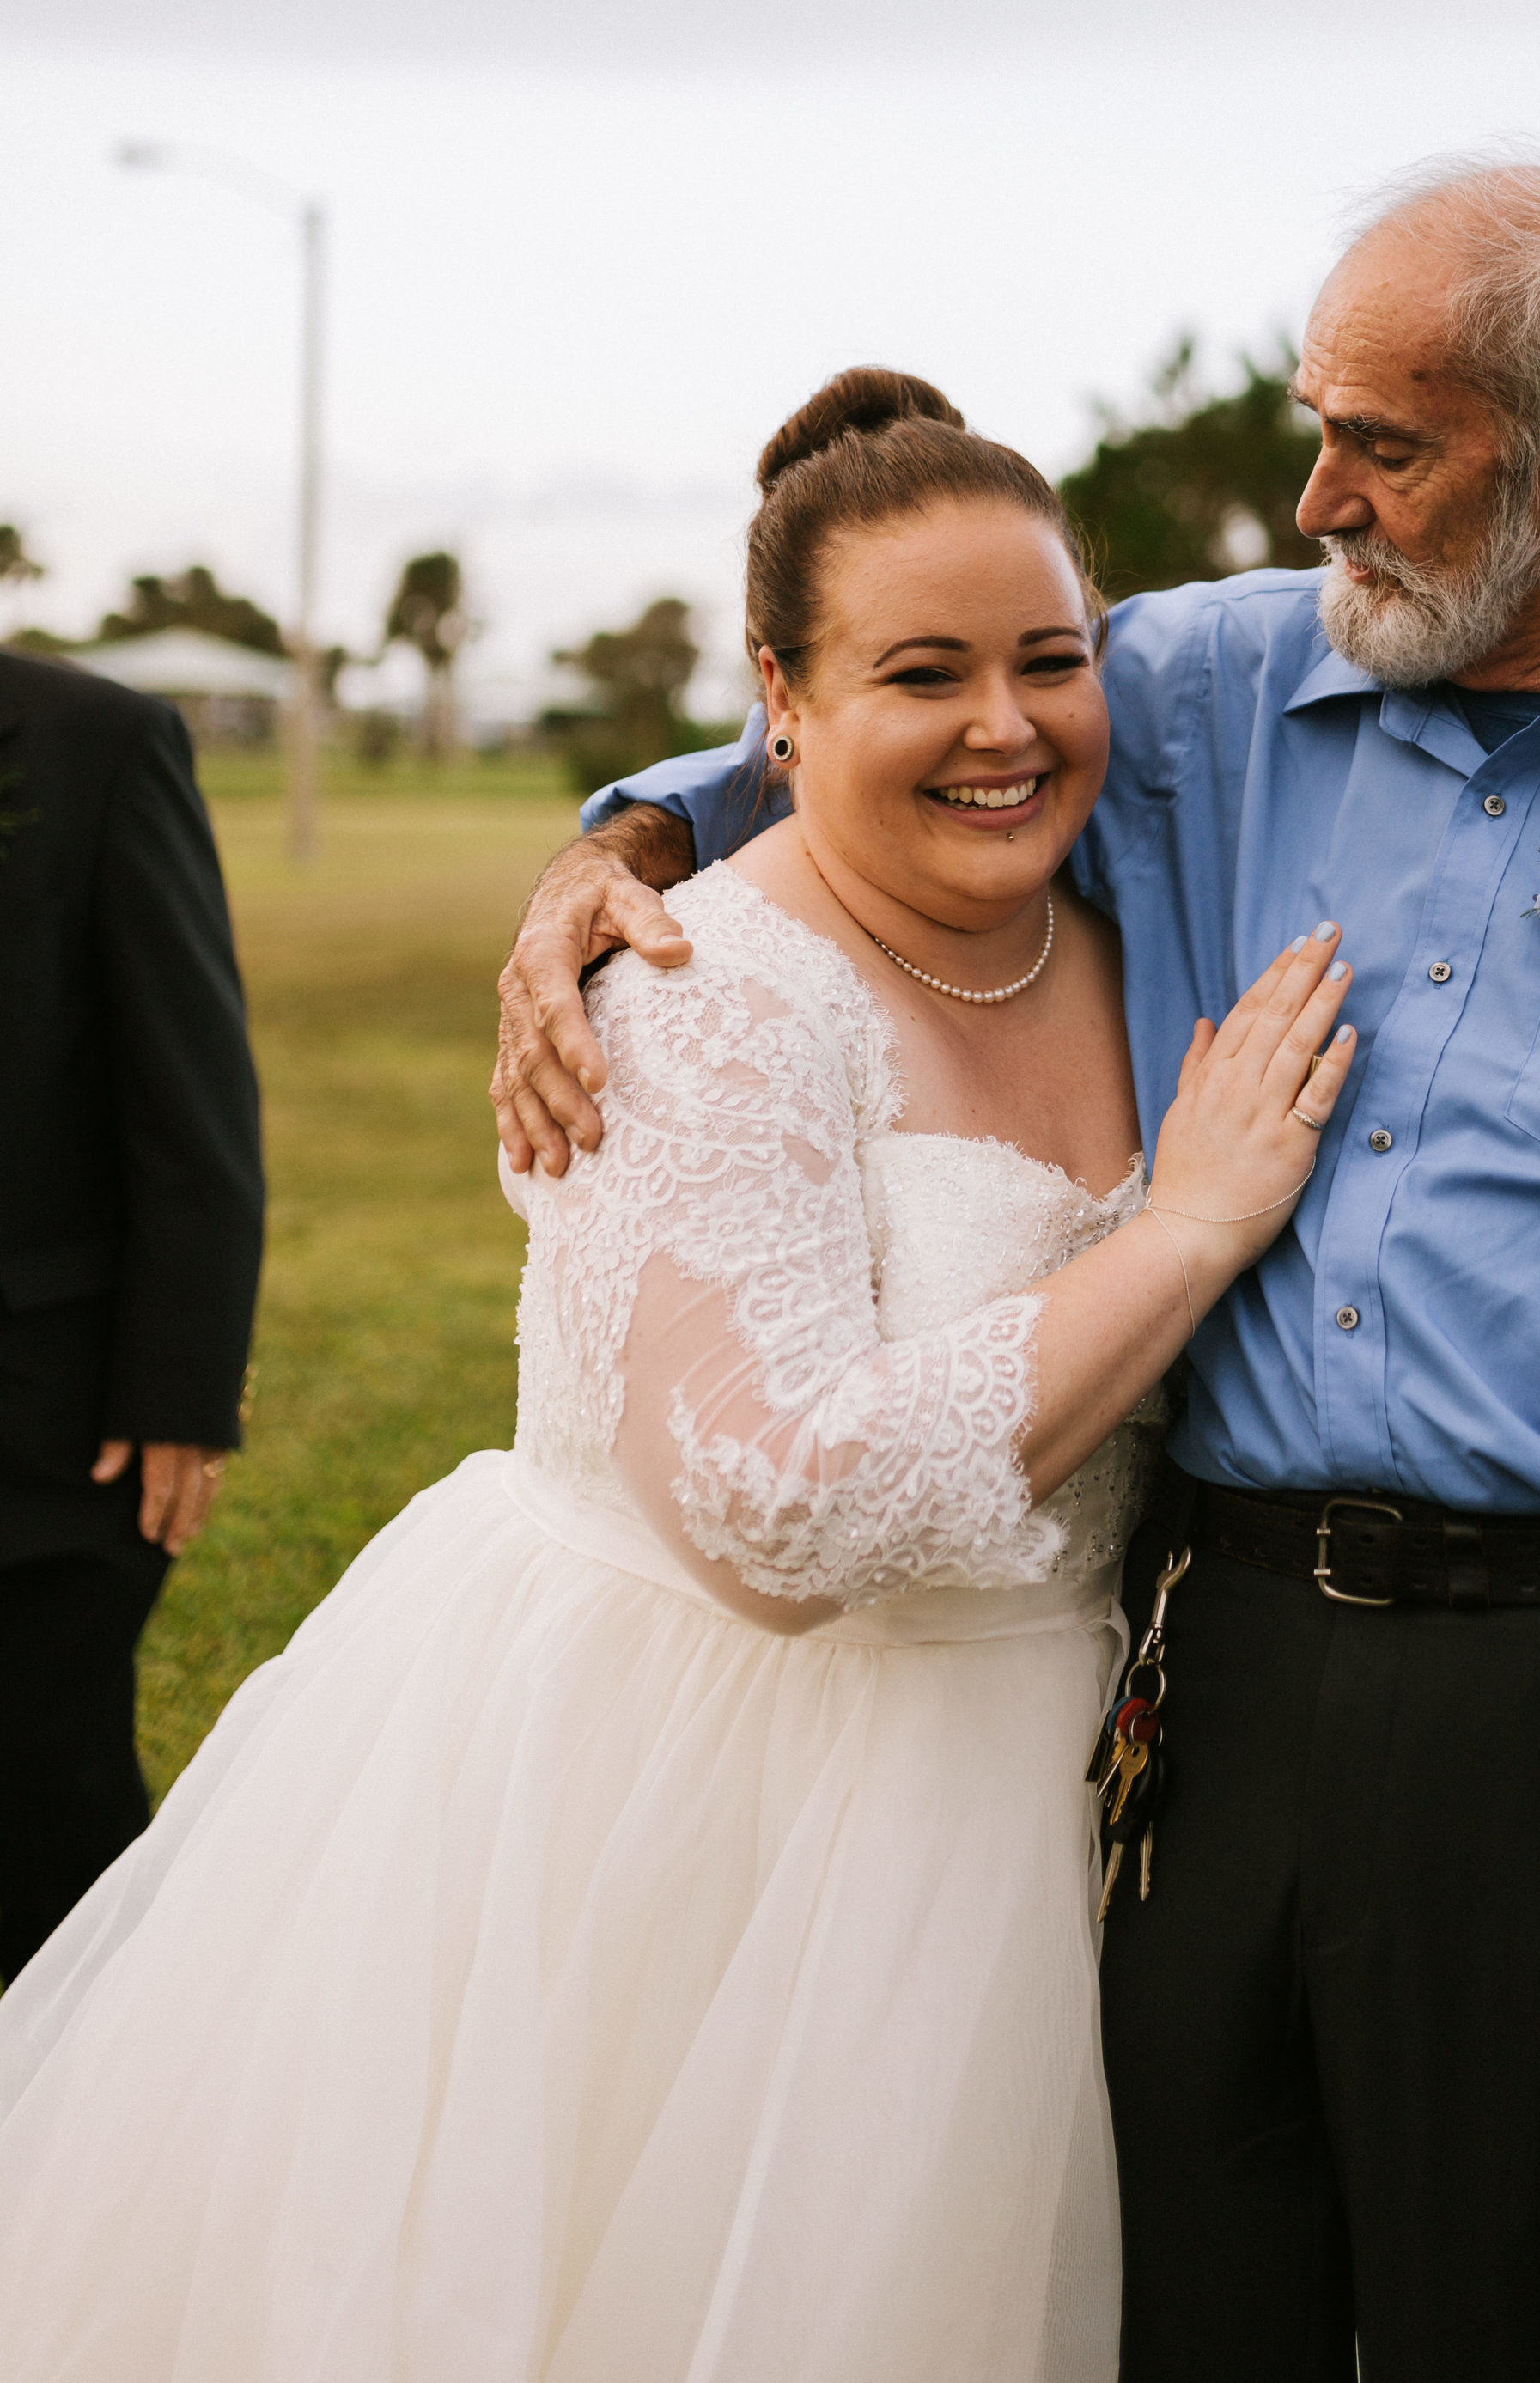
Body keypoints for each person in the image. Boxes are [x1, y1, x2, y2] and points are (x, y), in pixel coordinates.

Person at [496, 157, 1540, 2383]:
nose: (1313, 491)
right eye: (1312, 417)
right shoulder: (1220, 678)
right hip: (1202, 1677)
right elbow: (922, 710)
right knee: (1187, 2314)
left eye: (1386, 440)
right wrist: (633, 833)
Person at [0, 372, 1355, 2383]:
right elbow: (770, 1510)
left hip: (1042, 1787)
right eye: (924, 672)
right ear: (776, 702)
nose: (1005, 725)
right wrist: (1184, 1231)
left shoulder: (1126, 933)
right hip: (692, 1801)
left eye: (1050, 660)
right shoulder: (701, 996)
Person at [0, 644, 261, 1983]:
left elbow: (191, 1097)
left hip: (42, 1443)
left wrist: (180, 1385)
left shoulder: (96, 743)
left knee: (45, 1818)